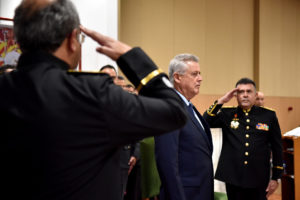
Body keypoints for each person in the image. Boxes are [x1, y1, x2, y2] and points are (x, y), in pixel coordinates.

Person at [1, 1, 188, 200]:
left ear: (19, 41)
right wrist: (132, 57)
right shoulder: (92, 94)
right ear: (72, 39)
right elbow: (175, 111)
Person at [203, 78, 283, 200]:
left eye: (249, 91)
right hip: (233, 176)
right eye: (241, 92)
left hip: (259, 176)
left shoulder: (268, 116)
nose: (245, 95)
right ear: (236, 95)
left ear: (255, 95)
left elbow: (277, 147)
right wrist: (221, 101)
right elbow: (205, 122)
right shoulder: (227, 114)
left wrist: (276, 177)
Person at [155, 54, 214, 200]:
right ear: (177, 77)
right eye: (194, 74)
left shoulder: (187, 107)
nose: (200, 78)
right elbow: (167, 162)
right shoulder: (170, 109)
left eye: (200, 74)